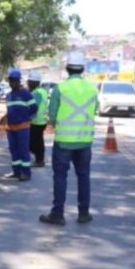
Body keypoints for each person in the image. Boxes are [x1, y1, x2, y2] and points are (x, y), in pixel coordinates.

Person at [40, 52, 98, 226]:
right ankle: (83, 213)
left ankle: (58, 214)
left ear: (67, 68)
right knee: (83, 176)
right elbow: (95, 110)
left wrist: (58, 125)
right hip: (85, 142)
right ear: (82, 69)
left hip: (64, 141)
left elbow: (52, 114)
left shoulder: (60, 88)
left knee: (60, 177)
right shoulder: (92, 88)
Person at [4, 69, 38, 181]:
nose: (12, 83)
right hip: (11, 128)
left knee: (23, 150)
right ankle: (16, 171)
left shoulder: (25, 94)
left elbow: (34, 108)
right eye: (11, 80)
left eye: (14, 80)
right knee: (14, 150)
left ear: (19, 81)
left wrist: (25, 117)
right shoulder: (8, 95)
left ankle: (26, 173)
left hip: (22, 127)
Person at [28, 71, 49, 167]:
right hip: (41, 121)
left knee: (34, 142)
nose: (28, 83)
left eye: (29, 81)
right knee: (38, 141)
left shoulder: (36, 93)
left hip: (36, 121)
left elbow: (33, 108)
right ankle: (39, 159)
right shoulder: (42, 91)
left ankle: (39, 160)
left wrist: (27, 117)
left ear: (34, 82)